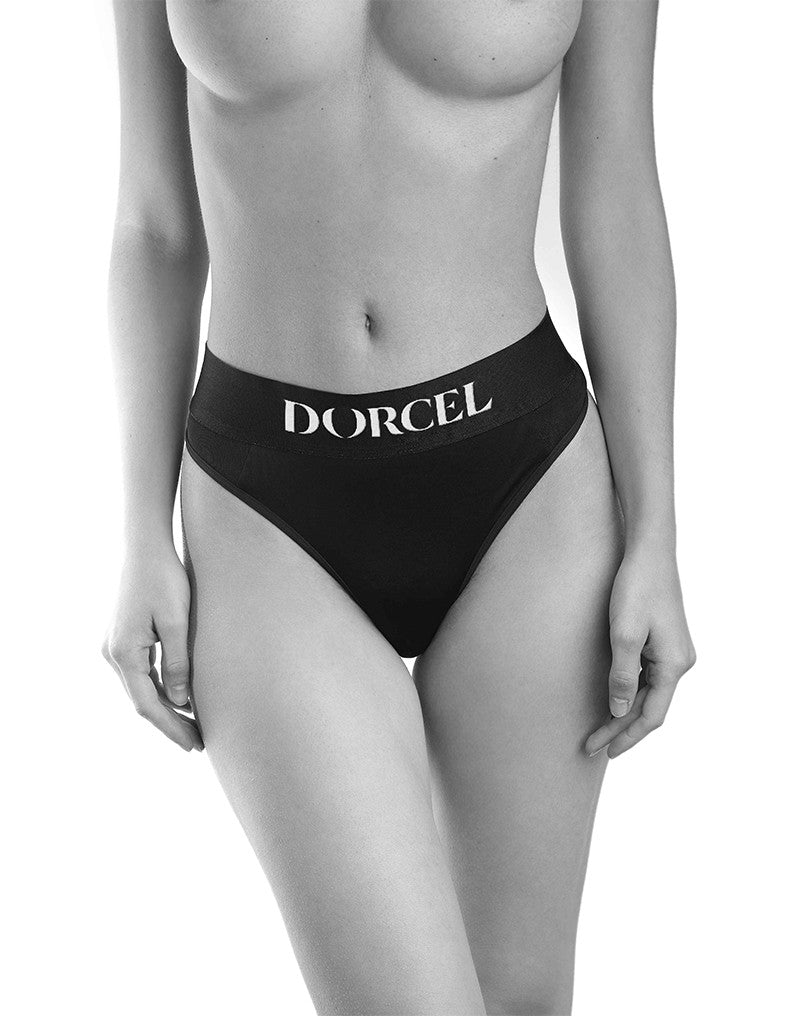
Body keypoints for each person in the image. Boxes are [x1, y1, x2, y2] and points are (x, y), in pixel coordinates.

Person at [101, 2, 696, 1013]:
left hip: (527, 490)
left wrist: (656, 534)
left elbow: (618, 197)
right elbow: (154, 223)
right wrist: (138, 533)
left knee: (521, 1001)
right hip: (265, 507)